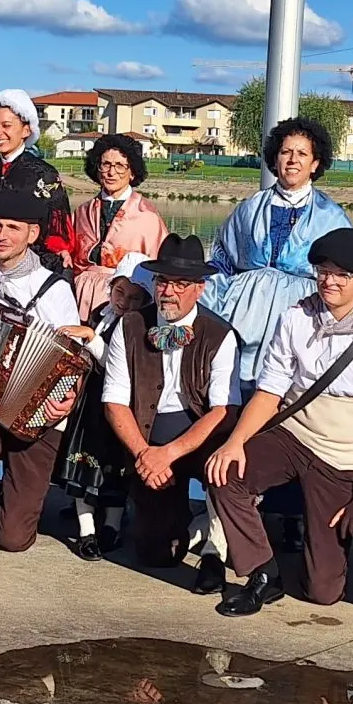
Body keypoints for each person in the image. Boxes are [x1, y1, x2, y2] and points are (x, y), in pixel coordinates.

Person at [204, 229, 353, 617]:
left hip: (342, 453)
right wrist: (235, 442)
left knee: (323, 592)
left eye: (342, 275)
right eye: (323, 271)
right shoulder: (295, 317)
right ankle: (262, 572)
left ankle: (321, 558)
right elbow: (270, 390)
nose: (329, 281)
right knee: (223, 472)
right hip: (293, 433)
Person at [0, 189, 96, 556]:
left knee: (13, 540)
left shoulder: (54, 289)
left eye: (13, 227)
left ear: (33, 234)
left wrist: (68, 399)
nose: (2, 235)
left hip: (37, 417)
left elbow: (71, 358)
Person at [101, 234, 239, 591]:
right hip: (148, 435)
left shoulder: (221, 334)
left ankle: (215, 547)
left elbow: (223, 408)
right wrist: (145, 455)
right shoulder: (130, 326)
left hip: (202, 434)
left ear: (200, 289)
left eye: (180, 284)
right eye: (163, 281)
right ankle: (188, 525)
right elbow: (114, 399)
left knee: (227, 465)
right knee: (155, 555)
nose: (168, 292)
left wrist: (171, 453)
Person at [203, 117, 352, 384]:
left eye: (302, 154)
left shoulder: (332, 217)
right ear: (275, 159)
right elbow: (221, 260)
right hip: (243, 312)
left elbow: (346, 277)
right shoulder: (248, 209)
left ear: (315, 163)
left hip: (304, 314)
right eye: (286, 152)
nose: (293, 160)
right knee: (233, 386)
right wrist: (211, 309)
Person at [0, 89, 75, 271]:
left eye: (6, 125)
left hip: (29, 264)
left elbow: (58, 234)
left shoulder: (44, 174)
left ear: (26, 129)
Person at [66, 133, 166, 321]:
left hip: (125, 302)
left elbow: (157, 269)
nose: (112, 173)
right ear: (97, 168)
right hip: (79, 297)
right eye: (106, 165)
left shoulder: (148, 216)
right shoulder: (82, 212)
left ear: (132, 172)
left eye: (120, 166)